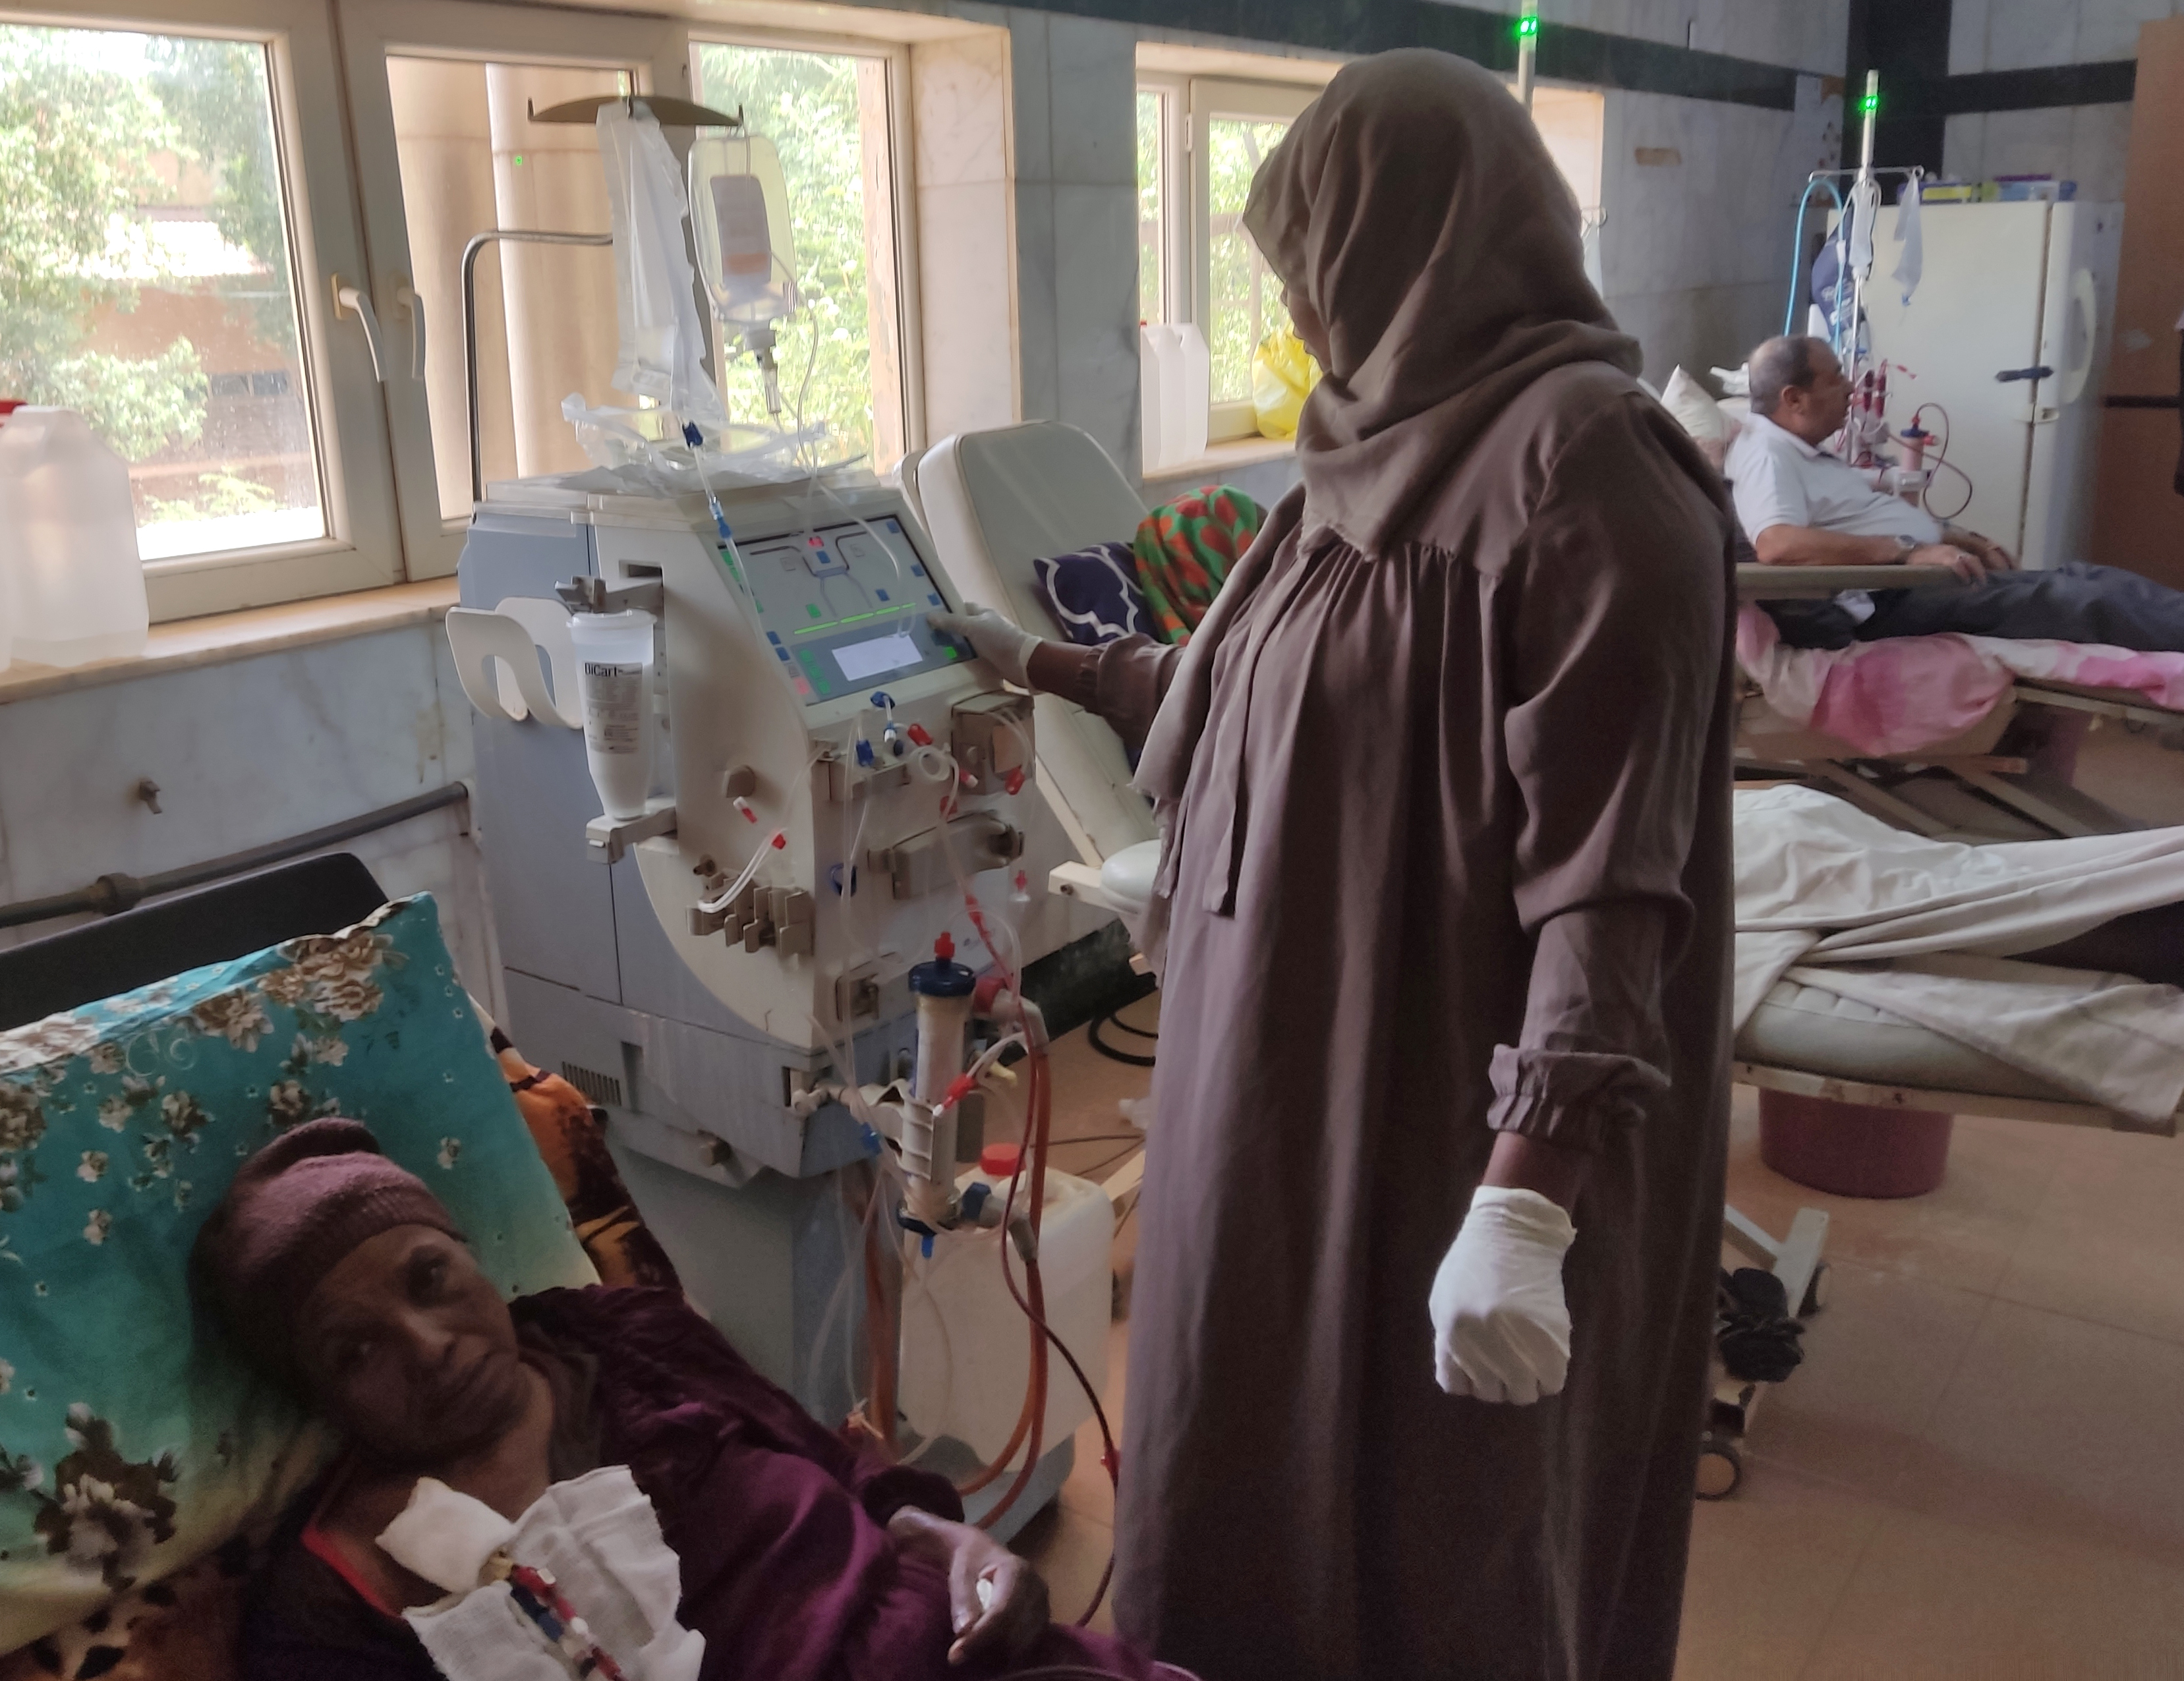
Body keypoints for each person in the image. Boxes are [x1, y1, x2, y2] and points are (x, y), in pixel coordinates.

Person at [941, 49, 1734, 1680]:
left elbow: (1612, 879)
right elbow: (1244, 703)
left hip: (1440, 1094)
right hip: (1272, 1075)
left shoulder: (1582, 469)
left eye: (1310, 263)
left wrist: (1524, 1199)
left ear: (1416, 237)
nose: (1299, 310)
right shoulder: (1340, 460)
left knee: (1433, 1523)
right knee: (1241, 1455)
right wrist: (1034, 664)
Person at [197, 1117, 1192, 1681]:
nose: (427, 1344)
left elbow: (845, 1470)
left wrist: (959, 1545)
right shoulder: (337, 1594)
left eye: (428, 1277)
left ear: (471, 1255)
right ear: (316, 1391)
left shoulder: (627, 1339)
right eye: (355, 1346)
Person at [1735, 333, 2184, 652]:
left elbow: (1853, 517)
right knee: (2082, 601)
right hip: (1889, 600)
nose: (1851, 388)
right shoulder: (1765, 455)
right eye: (1835, 379)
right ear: (1793, 399)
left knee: (2089, 579)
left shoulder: (1801, 451)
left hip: (1918, 581)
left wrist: (1956, 538)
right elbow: (1777, 545)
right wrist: (1906, 553)